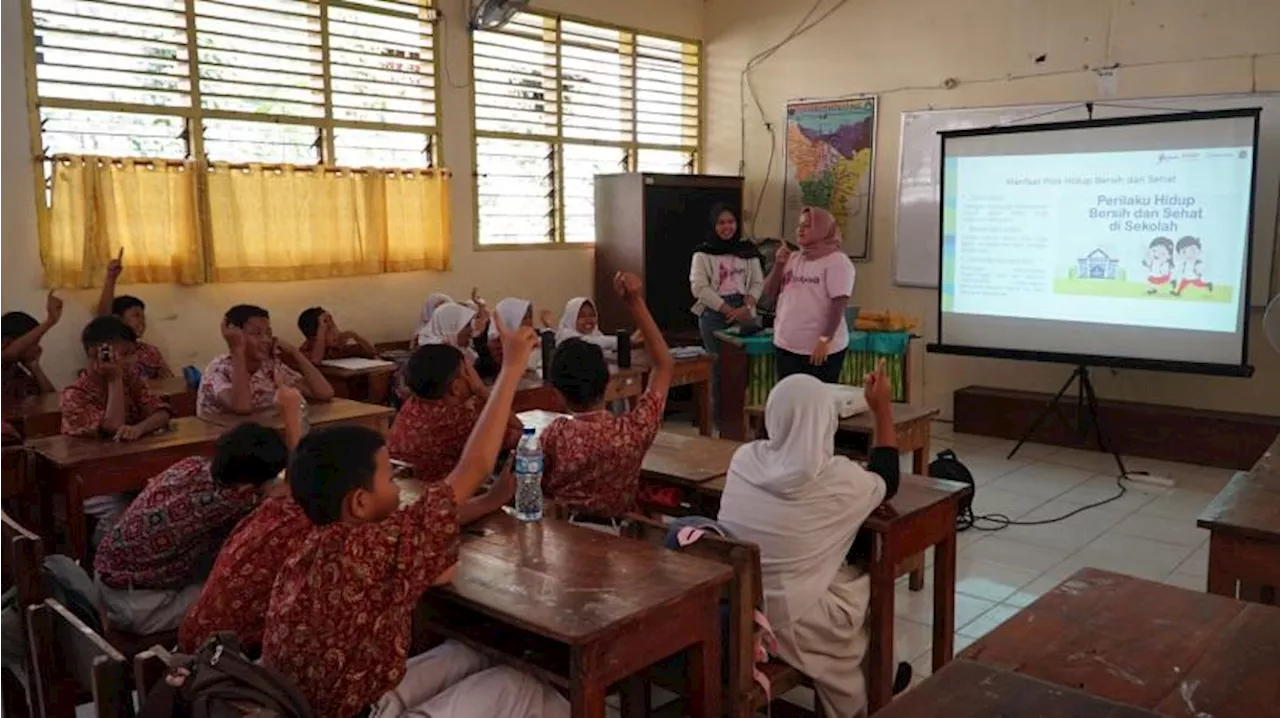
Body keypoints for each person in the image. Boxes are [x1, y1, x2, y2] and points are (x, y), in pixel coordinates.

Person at [261, 315, 568, 718]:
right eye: (390, 476)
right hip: (349, 712)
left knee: (469, 652)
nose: (400, 484)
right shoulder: (373, 545)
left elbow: (432, 568)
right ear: (358, 503)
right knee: (519, 686)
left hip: (328, 701)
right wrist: (510, 369)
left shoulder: (313, 544)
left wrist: (491, 499)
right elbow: (472, 469)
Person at [716, 367, 900, 718]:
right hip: (785, 618)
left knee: (833, 577)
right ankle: (870, 693)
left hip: (734, 604)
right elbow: (887, 479)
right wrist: (882, 410)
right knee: (862, 591)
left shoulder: (744, 459)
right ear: (826, 421)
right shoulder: (842, 480)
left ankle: (877, 680)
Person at [93, 407, 296, 636]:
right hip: (137, 606)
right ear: (247, 487)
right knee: (244, 593)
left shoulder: (192, 464)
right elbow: (292, 499)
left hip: (105, 579)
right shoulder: (230, 502)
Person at [178, 380, 308, 654]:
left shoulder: (191, 466)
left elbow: (294, 488)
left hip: (194, 637)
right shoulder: (253, 508)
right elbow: (297, 492)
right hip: (218, 658)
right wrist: (292, 415)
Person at [540, 272, 672, 521]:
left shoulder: (554, 435)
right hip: (617, 542)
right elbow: (664, 365)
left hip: (562, 543)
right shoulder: (632, 430)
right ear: (608, 381)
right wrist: (635, 302)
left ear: (557, 394)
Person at [387, 344, 523, 482]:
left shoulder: (411, 407)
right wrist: (482, 390)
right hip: (452, 495)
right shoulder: (460, 419)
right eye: (469, 371)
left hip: (408, 489)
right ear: (456, 388)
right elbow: (519, 433)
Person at [762, 206, 855, 383]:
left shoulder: (837, 261)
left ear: (822, 229)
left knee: (817, 404)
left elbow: (839, 304)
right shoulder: (794, 258)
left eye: (807, 225)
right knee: (790, 403)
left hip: (820, 349)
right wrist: (779, 264)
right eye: (799, 225)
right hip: (786, 346)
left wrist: (824, 339)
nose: (800, 230)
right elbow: (769, 292)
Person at [690, 203, 764, 422]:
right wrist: (728, 310)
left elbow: (758, 282)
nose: (727, 227)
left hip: (745, 309)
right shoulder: (702, 253)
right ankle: (720, 420)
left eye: (731, 222)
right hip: (714, 312)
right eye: (721, 223)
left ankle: (743, 417)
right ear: (714, 226)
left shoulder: (747, 251)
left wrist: (746, 307)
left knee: (744, 368)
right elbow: (699, 287)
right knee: (719, 369)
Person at [197, 305, 334, 418]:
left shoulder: (270, 366)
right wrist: (237, 349)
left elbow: (325, 393)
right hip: (223, 442)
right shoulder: (218, 369)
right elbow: (242, 407)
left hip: (266, 436)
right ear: (235, 336)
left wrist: (295, 353)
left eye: (268, 333)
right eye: (256, 334)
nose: (266, 340)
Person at [61, 316, 173, 441]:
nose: (133, 360)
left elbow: (162, 412)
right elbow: (114, 427)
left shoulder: (131, 379)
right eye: (125, 354)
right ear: (95, 354)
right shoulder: (75, 395)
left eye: (132, 353)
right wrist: (115, 379)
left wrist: (139, 429)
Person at [96, 249, 173, 380]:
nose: (142, 322)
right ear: (118, 319)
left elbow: (168, 380)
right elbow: (103, 318)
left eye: (143, 317)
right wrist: (111, 278)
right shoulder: (110, 351)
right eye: (136, 316)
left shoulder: (150, 351)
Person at [0, 291, 62, 404]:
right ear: (5, 342)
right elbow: (7, 354)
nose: (38, 349)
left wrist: (35, 368)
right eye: (32, 343)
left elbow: (53, 404)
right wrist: (50, 321)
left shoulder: (17, 373)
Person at [553, 297, 643, 354]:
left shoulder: (595, 334)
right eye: (582, 316)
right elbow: (591, 344)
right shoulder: (566, 336)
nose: (588, 320)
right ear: (571, 318)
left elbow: (602, 345)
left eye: (592, 315)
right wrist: (628, 340)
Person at [297, 306, 376, 364]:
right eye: (329, 330)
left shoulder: (337, 348)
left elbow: (371, 352)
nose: (336, 332)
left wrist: (355, 336)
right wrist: (322, 329)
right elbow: (315, 361)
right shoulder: (305, 351)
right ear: (314, 337)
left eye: (334, 326)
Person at [487, 297, 539, 370]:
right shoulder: (497, 346)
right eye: (525, 317)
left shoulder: (522, 337)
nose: (530, 322)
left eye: (530, 317)